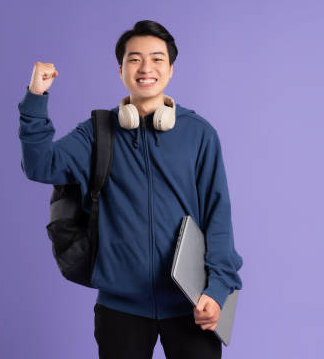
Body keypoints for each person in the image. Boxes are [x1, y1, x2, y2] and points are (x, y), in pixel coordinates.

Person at [18, 20, 243, 358]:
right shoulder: (98, 132)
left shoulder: (199, 134)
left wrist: (218, 289)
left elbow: (218, 217)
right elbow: (40, 165)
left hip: (191, 304)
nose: (146, 68)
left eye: (157, 59)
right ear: (121, 69)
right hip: (120, 309)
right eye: (134, 59)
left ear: (170, 69)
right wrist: (36, 97)